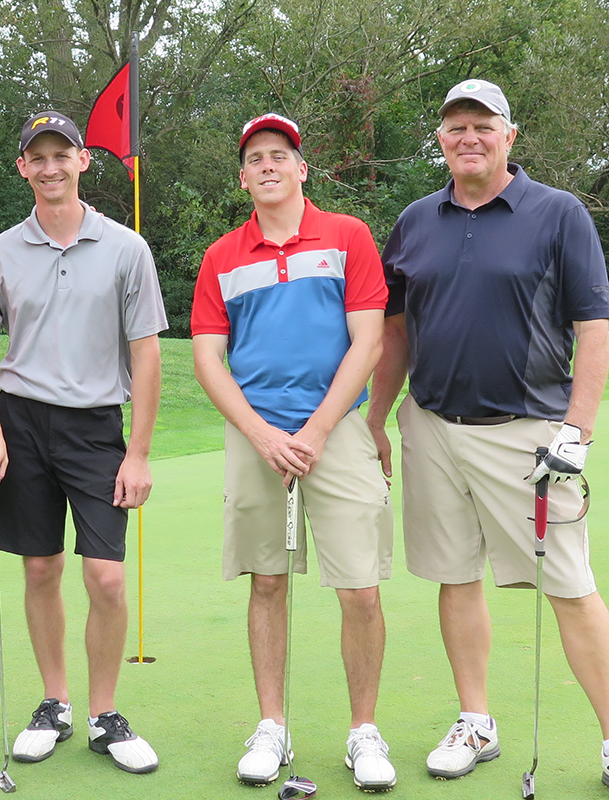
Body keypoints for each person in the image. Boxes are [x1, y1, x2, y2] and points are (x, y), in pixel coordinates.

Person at [366, 78, 609, 785]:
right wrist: (376, 421)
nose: (467, 137)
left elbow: (593, 326)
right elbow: (395, 331)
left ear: (510, 135)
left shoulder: (557, 214)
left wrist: (579, 430)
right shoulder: (415, 220)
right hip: (434, 426)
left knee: (569, 584)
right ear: (440, 140)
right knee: (454, 575)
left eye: (483, 125)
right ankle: (476, 722)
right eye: (454, 127)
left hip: (529, 432)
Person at [0, 111, 166, 774]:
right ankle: (55, 703)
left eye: (61, 155)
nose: (50, 168)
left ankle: (105, 714)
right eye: (37, 157)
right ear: (23, 167)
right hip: (21, 421)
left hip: (97, 425)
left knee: (105, 577)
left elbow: (147, 354)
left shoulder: (126, 248)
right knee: (40, 568)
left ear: (83, 161)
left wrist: (138, 451)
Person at [192, 113, 395, 792]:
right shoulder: (222, 255)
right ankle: (272, 728)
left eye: (281, 155)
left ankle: (363, 732)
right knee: (268, 581)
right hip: (258, 440)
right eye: (256, 159)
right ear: (243, 177)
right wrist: (261, 433)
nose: (269, 166)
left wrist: (312, 432)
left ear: (302, 169)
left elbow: (368, 342)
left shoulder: (347, 236)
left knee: (360, 588)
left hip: (333, 436)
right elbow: (209, 357)